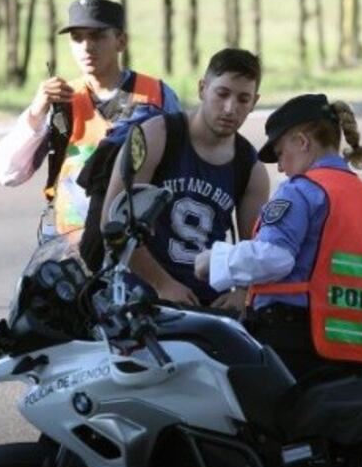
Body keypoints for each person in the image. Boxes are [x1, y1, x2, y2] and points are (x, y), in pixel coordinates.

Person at [194, 93, 362, 383]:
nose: (280, 167)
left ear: (302, 142)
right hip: (355, 351)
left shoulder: (302, 190)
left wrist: (215, 260)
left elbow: (275, 257)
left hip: (294, 343)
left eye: (280, 152)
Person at [0, 0, 182, 242]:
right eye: (77, 37)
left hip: (134, 243)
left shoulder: (156, 96)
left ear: (121, 41)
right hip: (67, 244)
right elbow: (9, 173)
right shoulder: (60, 99)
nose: (86, 46)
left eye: (97, 36)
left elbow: (182, 170)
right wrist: (37, 111)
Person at [101, 48, 270, 310]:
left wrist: (243, 292)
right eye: (222, 94)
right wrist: (162, 284)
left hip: (204, 306)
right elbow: (113, 223)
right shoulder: (156, 136)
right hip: (140, 299)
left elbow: (255, 251)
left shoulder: (251, 168)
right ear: (203, 88)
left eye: (243, 99)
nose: (230, 108)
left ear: (254, 102)